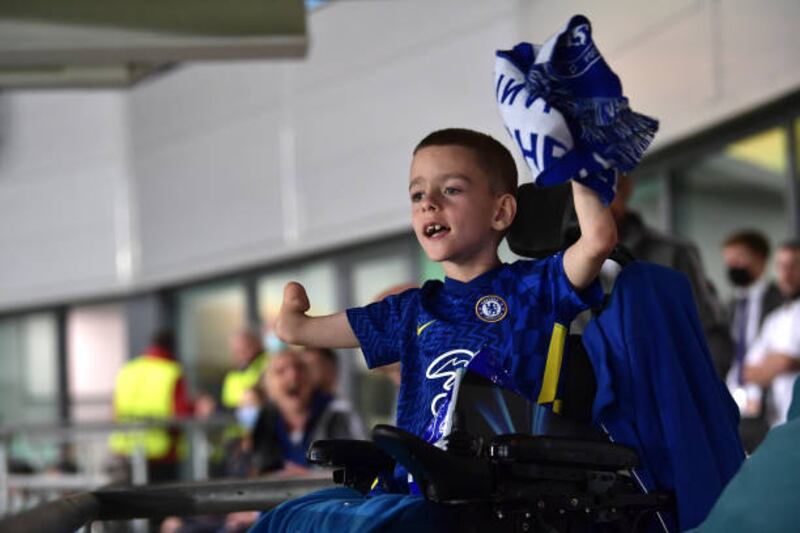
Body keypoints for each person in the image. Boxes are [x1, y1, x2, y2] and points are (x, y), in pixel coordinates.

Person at [254, 127, 615, 531]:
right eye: (417, 195)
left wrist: (577, 165)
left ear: (500, 212)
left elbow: (597, 239)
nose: (429, 204)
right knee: (284, 518)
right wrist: (292, 321)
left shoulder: (536, 287)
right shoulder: (412, 309)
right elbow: (307, 331)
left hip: (489, 496)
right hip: (407, 488)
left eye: (451, 190)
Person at [610, 174, 733, 376]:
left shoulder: (672, 253)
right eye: (585, 188)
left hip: (660, 395)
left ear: (626, 188)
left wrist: (698, 392)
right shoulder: (556, 260)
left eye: (606, 186)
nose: (597, 198)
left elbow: (710, 331)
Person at [252, 348, 366, 474]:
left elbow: (361, 468)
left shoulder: (338, 413)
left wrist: (310, 476)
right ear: (268, 387)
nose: (293, 376)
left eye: (300, 368)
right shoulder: (264, 420)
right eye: (280, 371)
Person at [109, 329, 195, 483]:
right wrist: (196, 407)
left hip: (126, 450)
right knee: (163, 503)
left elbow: (114, 410)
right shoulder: (171, 372)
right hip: (161, 453)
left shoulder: (128, 370)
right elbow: (181, 413)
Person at [721, 230, 782, 417]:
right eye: (728, 259)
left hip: (771, 401)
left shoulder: (780, 300)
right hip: (733, 401)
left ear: (760, 259)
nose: (732, 265)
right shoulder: (730, 305)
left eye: (738, 257)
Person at [743, 240, 800, 427]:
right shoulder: (774, 320)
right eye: (781, 266)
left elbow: (787, 361)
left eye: (794, 265)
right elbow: (749, 371)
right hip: (781, 424)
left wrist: (778, 362)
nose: (786, 273)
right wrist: (782, 362)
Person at [221, 328, 268, 411]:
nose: (242, 355)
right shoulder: (231, 377)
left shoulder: (270, 362)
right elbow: (228, 406)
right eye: (237, 351)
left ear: (256, 344)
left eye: (246, 348)